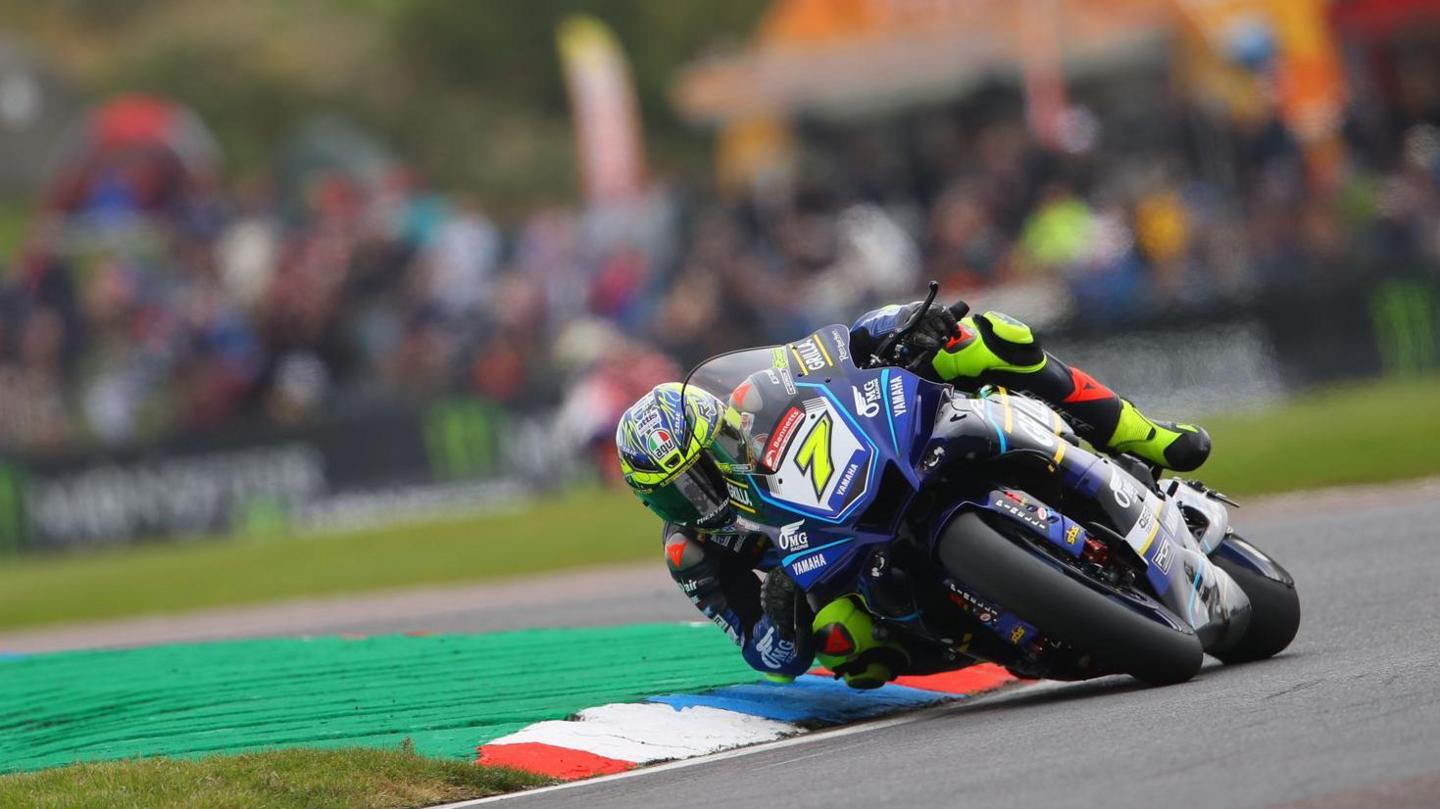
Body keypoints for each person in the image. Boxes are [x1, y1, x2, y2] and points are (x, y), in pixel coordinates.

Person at [614, 300, 1211, 687]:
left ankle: (1149, 436)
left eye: (704, 468)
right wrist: (779, 611)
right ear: (655, 504)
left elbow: (830, 349)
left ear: (722, 428)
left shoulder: (752, 401)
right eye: (680, 493)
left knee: (983, 337)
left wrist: (898, 327)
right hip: (845, 568)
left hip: (892, 457)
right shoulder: (690, 553)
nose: (702, 495)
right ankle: (1000, 634)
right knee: (845, 645)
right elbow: (767, 656)